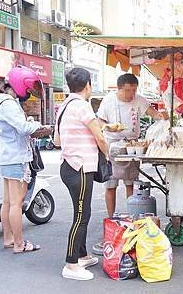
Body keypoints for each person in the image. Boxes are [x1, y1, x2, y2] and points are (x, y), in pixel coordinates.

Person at [92, 73, 167, 255]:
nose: (131, 94)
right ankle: (111, 219)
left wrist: (162, 116)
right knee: (110, 185)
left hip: (132, 145)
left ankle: (130, 218)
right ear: (119, 89)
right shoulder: (109, 101)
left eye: (134, 90)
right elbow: (100, 121)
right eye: (128, 90)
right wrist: (108, 127)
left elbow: (153, 113)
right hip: (111, 145)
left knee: (130, 183)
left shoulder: (139, 100)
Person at [0, 66, 50, 254]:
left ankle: (9, 239)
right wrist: (40, 126)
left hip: (6, 157)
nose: (29, 94)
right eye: (28, 89)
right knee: (16, 203)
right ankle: (19, 243)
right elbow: (23, 128)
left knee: (7, 202)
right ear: (19, 85)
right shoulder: (8, 103)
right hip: (16, 157)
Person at [54, 68, 109, 281]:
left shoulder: (64, 106)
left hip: (68, 166)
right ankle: (70, 263)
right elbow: (100, 137)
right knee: (81, 216)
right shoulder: (83, 106)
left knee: (82, 212)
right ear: (88, 86)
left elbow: (57, 141)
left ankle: (82, 255)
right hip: (81, 168)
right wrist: (108, 154)